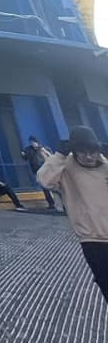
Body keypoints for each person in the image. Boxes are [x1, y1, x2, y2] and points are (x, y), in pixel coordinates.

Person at [38, 126, 108, 303]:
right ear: (74, 151)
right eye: (82, 152)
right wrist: (59, 156)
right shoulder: (65, 166)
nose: (88, 156)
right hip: (93, 239)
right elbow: (44, 180)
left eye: (92, 151)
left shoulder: (105, 166)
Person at [20, 135, 58, 211]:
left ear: (37, 142)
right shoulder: (28, 150)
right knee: (44, 187)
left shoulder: (43, 148)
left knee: (51, 186)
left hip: (46, 169)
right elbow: (25, 158)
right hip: (37, 170)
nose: (32, 144)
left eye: (33, 142)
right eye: (30, 142)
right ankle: (51, 203)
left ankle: (55, 202)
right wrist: (23, 155)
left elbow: (50, 156)